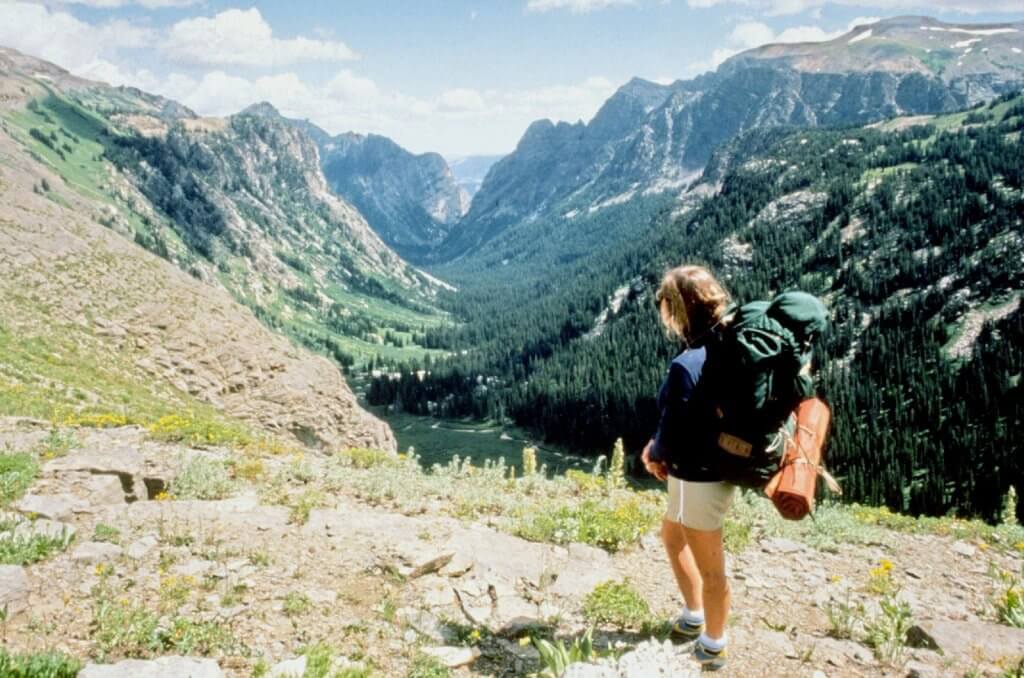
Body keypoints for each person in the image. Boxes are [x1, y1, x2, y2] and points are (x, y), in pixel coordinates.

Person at [641, 264, 735, 672]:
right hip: (701, 470)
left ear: (677, 308)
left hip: (699, 476)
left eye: (664, 305)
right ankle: (694, 615)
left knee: (711, 566)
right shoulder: (723, 345)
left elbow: (674, 425)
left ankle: (714, 642)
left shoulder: (687, 363)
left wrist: (652, 453)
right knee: (672, 534)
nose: (661, 312)